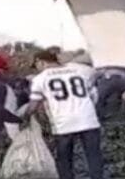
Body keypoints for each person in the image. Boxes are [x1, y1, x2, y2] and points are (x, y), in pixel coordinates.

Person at [30, 49, 104, 179]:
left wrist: (23, 118)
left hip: (63, 124)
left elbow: (34, 104)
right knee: (94, 156)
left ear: (40, 62)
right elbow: (94, 88)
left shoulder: (40, 78)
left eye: (36, 66)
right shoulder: (81, 70)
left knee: (64, 160)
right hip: (88, 119)